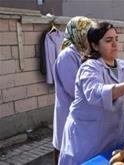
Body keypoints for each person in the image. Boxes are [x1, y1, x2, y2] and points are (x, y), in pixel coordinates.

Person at [58, 22, 124, 164]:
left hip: (114, 137)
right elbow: (95, 94)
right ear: (95, 45)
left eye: (116, 39)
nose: (115, 44)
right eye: (109, 41)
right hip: (87, 140)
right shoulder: (89, 68)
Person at [52, 16, 94, 165]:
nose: (91, 39)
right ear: (78, 34)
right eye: (87, 34)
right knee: (67, 153)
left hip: (80, 116)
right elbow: (74, 89)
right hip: (68, 113)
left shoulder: (82, 53)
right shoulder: (67, 56)